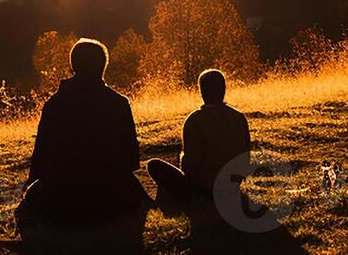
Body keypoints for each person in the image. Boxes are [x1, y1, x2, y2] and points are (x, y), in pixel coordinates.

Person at [16, 38, 150, 232]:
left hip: (61, 204)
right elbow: (131, 161)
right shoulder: (118, 104)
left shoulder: (54, 105)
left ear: (73, 66)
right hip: (110, 202)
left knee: (31, 197)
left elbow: (40, 161)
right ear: (103, 66)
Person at [145, 69, 252, 204]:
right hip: (232, 187)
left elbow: (190, 167)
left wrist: (183, 159)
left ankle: (166, 205)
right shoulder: (239, 118)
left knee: (154, 165)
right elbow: (246, 156)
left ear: (202, 91)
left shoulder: (195, 120)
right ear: (223, 89)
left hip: (204, 190)